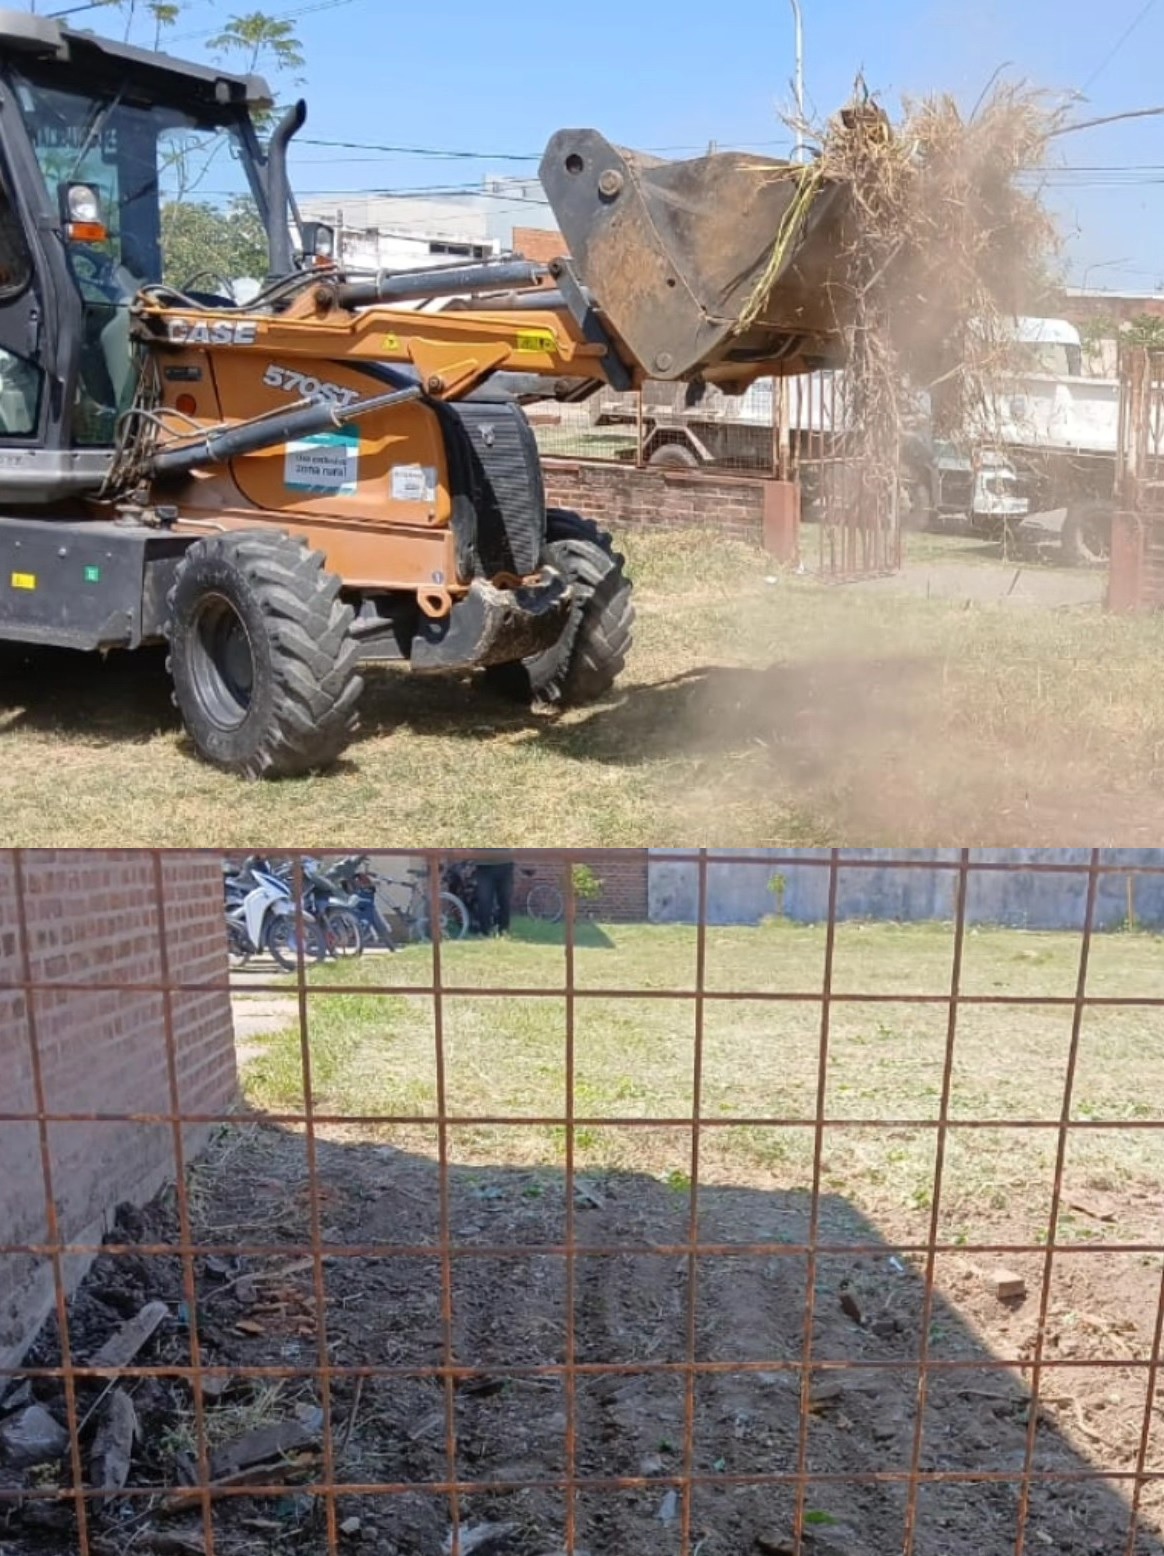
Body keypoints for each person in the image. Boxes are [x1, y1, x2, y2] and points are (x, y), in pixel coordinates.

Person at [474, 851, 515, 937]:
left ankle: (504, 930)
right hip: (484, 865)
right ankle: (485, 931)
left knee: (505, 899)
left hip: (505, 863)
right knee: (484, 900)